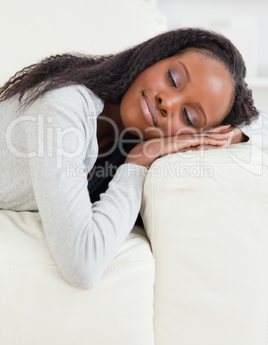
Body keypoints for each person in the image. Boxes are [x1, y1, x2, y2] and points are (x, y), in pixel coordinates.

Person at [0, 27, 263, 289]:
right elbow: (83, 265)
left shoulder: (127, 137)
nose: (167, 103)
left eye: (190, 116)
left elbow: (261, 125)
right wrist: (137, 165)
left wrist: (232, 135)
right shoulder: (63, 106)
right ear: (155, 57)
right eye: (173, 78)